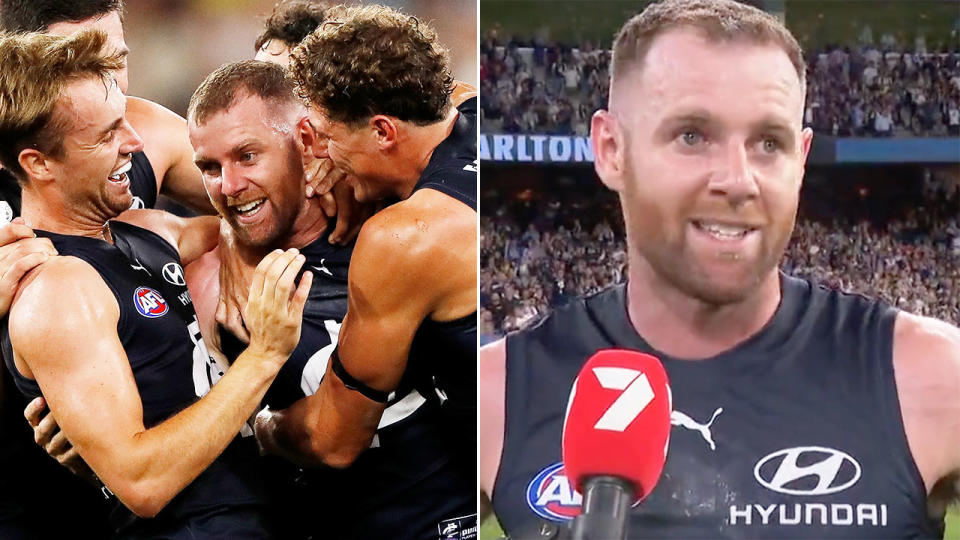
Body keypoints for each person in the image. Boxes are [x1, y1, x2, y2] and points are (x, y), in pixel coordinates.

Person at [479, 0, 959, 538]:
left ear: (800, 161)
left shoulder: (930, 375)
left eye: (769, 143)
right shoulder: (495, 394)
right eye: (692, 136)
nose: (738, 179)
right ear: (612, 150)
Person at [0, 29, 311, 538]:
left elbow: (262, 220)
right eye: (106, 136)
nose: (135, 143)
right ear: (39, 164)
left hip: (262, 511)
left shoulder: (141, 230)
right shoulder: (55, 290)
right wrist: (265, 356)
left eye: (124, 121)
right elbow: (142, 483)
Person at [184, 58, 476, 540]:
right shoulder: (208, 283)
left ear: (305, 142)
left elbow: (443, 101)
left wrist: (258, 425)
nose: (229, 185)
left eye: (247, 156)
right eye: (210, 168)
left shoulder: (394, 217)